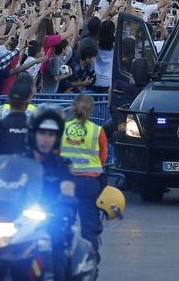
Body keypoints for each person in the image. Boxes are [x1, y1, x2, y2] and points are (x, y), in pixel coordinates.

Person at [24, 108, 77, 281]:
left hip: (50, 221)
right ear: (33, 134)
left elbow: (68, 187)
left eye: (51, 134)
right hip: (18, 219)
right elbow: (1, 181)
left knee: (58, 262)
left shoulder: (62, 164)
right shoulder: (20, 160)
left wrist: (66, 201)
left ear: (56, 138)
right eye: (42, 133)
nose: (46, 139)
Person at [60, 94, 108, 253]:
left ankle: (63, 257)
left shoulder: (63, 129)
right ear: (91, 110)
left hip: (67, 181)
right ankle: (90, 258)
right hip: (90, 183)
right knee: (89, 226)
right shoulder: (97, 130)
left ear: (73, 108)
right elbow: (103, 157)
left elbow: (56, 152)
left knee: (63, 223)